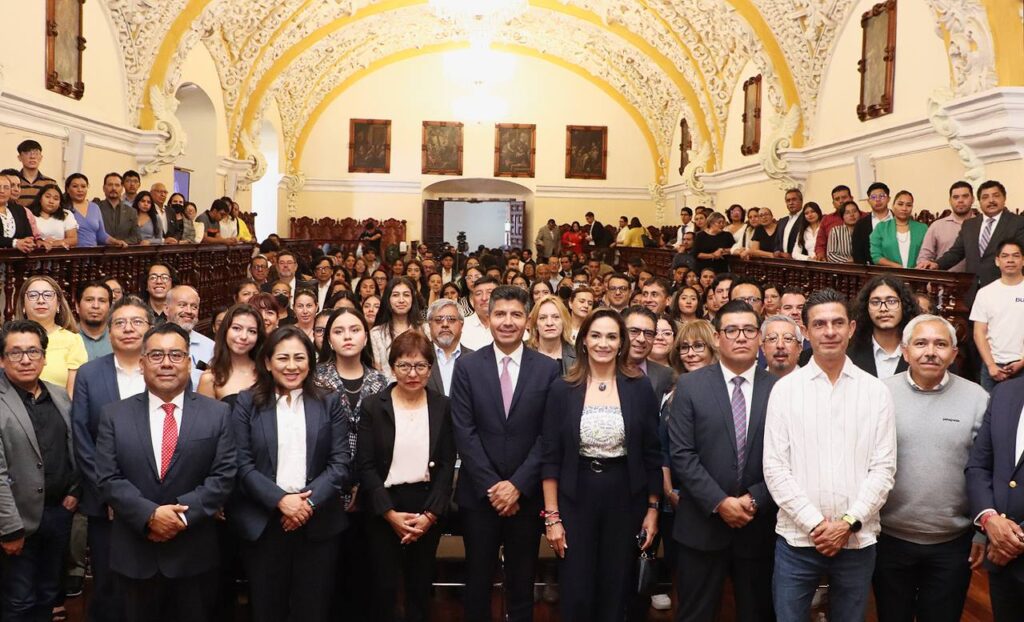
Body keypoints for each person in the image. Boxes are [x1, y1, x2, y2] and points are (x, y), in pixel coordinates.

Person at [763, 288, 896, 621]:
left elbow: (884, 469)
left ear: (851, 328)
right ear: (805, 333)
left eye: (838, 322)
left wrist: (848, 524)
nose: (830, 331)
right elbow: (775, 468)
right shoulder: (785, 390)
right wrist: (816, 524)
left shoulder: (875, 391)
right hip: (797, 541)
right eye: (819, 324)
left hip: (857, 541)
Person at [94, 322, 237, 622]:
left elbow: (223, 476)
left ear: (188, 361)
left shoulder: (217, 414)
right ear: (143, 362)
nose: (167, 363)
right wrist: (149, 516)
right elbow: (107, 477)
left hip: (193, 555)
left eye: (176, 354)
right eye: (157, 355)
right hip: (134, 554)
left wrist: (180, 517)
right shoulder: (114, 415)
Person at [541, 308, 662, 621]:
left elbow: (651, 453)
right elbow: (551, 457)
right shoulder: (562, 388)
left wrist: (652, 508)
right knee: (577, 588)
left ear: (621, 343)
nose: (603, 343)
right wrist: (552, 517)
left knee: (616, 585)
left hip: (625, 495)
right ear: (583, 341)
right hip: (576, 495)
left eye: (611, 336)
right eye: (595, 335)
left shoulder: (639, 387)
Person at [450, 285, 561, 622]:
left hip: (526, 498)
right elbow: (463, 432)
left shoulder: (547, 368)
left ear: (528, 320)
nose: (508, 321)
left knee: (521, 582)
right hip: (479, 496)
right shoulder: (468, 367)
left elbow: (549, 435)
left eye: (516, 314)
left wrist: (517, 485)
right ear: (488, 317)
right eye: (500, 314)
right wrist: (494, 487)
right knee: (477, 582)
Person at [229, 325, 349, 622]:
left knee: (314, 608)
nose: (292, 366)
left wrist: (305, 504)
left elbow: (340, 463)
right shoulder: (247, 402)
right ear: (268, 362)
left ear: (311, 361)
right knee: (268, 608)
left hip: (318, 522)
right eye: (283, 358)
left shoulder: (329, 401)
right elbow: (241, 464)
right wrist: (281, 501)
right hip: (264, 523)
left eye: (300, 358)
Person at [668, 300, 777, 621]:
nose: (740, 337)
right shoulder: (690, 385)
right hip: (701, 526)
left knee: (757, 613)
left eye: (749, 330)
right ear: (717, 338)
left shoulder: (780, 389)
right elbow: (682, 455)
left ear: (759, 337)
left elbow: (788, 458)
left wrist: (755, 499)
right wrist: (720, 502)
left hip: (759, 527)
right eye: (731, 330)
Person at [875, 314, 988, 622]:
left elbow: (986, 470)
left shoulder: (978, 398)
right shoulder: (879, 394)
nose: (930, 351)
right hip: (889, 538)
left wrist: (981, 534)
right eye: (921, 343)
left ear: (953, 353)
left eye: (941, 344)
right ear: (905, 350)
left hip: (953, 543)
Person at [357, 330, 456, 622]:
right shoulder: (374, 406)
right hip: (384, 506)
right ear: (391, 367)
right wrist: (388, 513)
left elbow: (449, 462)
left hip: (426, 505)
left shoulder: (442, 406)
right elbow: (365, 465)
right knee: (384, 589)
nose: (412, 373)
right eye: (404, 366)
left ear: (430, 368)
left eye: (420, 366)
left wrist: (431, 514)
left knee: (420, 587)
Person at [73, 296, 153, 622]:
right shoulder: (90, 374)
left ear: (151, 329)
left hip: (156, 498)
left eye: (137, 322)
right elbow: (81, 436)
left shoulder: (164, 368)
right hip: (105, 503)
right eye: (119, 323)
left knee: (151, 582)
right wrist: (112, 493)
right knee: (108, 583)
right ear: (109, 331)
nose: (128, 329)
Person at [0, 319, 78, 622]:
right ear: (3, 359)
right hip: (17, 521)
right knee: (19, 600)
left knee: (48, 594)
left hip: (58, 513)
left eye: (33, 351)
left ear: (44, 357)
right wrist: (9, 528)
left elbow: (74, 446)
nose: (26, 359)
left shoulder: (59, 395)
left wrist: (75, 492)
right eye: (16, 353)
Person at [313, 307, 388, 621]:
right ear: (328, 338)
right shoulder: (316, 379)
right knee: (327, 577)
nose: (347, 336)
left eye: (354, 330)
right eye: (339, 331)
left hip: (369, 490)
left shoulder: (380, 381)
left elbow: (383, 440)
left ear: (365, 335)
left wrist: (362, 479)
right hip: (326, 490)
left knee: (365, 573)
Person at [965, 374, 1024, 619]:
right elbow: (978, 467)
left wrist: (1014, 539)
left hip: (1005, 547)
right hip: (1003, 564)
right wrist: (989, 520)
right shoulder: (1004, 393)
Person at [14, 276, 87, 397]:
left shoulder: (72, 340)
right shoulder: (10, 339)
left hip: (58, 411)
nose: (41, 300)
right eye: (33, 295)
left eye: (47, 295)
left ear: (58, 304)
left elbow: (73, 394)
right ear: (23, 304)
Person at [969, 239, 1024, 391]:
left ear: (1023, 260)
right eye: (1005, 256)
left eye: (1016, 256)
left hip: (1022, 365)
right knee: (990, 411)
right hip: (991, 368)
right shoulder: (985, 293)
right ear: (997, 261)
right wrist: (991, 365)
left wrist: (1022, 362)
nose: (1010, 260)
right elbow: (979, 332)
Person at [849, 276, 919, 378]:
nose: (883, 308)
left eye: (891, 301)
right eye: (875, 302)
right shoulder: (850, 352)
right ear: (866, 308)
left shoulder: (919, 351)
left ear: (904, 305)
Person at [197, 304, 263, 403]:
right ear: (225, 331)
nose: (244, 336)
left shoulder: (267, 373)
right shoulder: (210, 379)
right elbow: (206, 417)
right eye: (236, 328)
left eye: (252, 331)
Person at [370, 277, 424, 381]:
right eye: (395, 295)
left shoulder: (425, 330)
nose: (401, 300)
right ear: (388, 299)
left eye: (406, 295)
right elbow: (377, 372)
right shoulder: (376, 334)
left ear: (413, 299)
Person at [916, 181, 975, 272]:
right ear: (950, 201)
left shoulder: (982, 225)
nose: (960, 200)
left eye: (965, 196)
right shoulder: (937, 226)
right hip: (941, 283)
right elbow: (924, 257)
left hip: (976, 283)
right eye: (956, 197)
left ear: (973, 199)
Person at [164, 285, 215, 387]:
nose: (189, 311)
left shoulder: (211, 347)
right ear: (166, 309)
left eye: (194, 307)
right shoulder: (150, 341)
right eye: (182, 305)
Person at [623, 306, 674, 399]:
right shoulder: (603, 370)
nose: (641, 339)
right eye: (634, 331)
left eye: (648, 333)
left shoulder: (667, 375)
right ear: (621, 333)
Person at [425, 299, 471, 397]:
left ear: (461, 325)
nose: (445, 324)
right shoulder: (419, 355)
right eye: (438, 320)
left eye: (451, 319)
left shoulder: (474, 360)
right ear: (429, 325)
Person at [870, 190, 927, 268]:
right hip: (890, 276)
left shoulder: (922, 228)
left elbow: (928, 254)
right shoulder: (881, 228)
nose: (904, 208)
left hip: (917, 276)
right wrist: (898, 267)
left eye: (909, 205)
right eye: (900, 204)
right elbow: (876, 256)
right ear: (893, 206)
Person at [527, 294, 577, 375]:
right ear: (535, 324)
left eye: (556, 317)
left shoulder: (578, 355)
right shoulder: (523, 352)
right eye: (543, 318)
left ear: (564, 321)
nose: (549, 323)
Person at [95, 173, 141, 245]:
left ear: (122, 188)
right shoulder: (96, 208)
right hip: (101, 252)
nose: (114, 188)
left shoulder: (132, 212)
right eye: (110, 185)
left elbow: (136, 237)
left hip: (123, 253)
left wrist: (120, 243)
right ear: (104, 188)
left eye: (117, 185)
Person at [813, 185, 857, 260]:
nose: (841, 201)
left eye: (844, 197)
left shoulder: (863, 216)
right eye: (837, 199)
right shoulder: (827, 219)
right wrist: (821, 255)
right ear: (833, 203)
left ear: (851, 198)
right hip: (834, 265)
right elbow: (820, 244)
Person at [28, 183, 77, 249]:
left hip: (60, 254)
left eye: (56, 199)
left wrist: (53, 244)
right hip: (35, 253)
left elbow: (73, 240)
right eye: (47, 197)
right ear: (40, 199)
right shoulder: (29, 213)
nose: (51, 201)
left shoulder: (66, 214)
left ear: (60, 203)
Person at [76, 280, 114, 361]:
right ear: (77, 306)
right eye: (89, 300)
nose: (96, 306)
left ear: (110, 308)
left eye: (102, 301)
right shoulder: (66, 338)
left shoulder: (119, 338)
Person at [460, 276, 498, 351]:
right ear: (472, 299)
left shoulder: (509, 326)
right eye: (478, 293)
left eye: (490, 293)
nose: (484, 298)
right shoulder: (461, 326)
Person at [16, 140, 56, 208]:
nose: (32, 157)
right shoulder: (13, 182)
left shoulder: (50, 183)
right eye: (27, 153)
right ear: (19, 157)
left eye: (36, 153)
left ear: (41, 157)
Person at [773, 188, 805, 258]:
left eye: (794, 199)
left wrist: (793, 256)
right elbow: (777, 243)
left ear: (801, 201)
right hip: (783, 263)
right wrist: (777, 251)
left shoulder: (806, 219)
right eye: (788, 200)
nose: (791, 203)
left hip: (800, 263)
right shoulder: (782, 221)